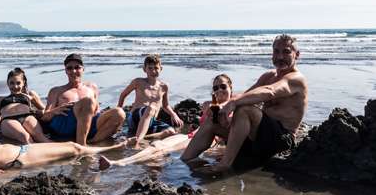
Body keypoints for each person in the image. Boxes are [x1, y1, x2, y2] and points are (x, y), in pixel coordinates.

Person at [184, 34, 307, 171]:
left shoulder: (296, 79)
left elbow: (270, 91)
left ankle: (224, 164)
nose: (280, 57)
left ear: (297, 55)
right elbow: (245, 95)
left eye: (286, 52)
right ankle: (184, 161)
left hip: (280, 140)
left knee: (245, 110)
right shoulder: (268, 76)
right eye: (276, 51)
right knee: (213, 120)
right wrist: (220, 107)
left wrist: (233, 103)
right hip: (256, 139)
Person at [0, 96, 128, 175]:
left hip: (23, 150)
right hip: (18, 159)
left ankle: (105, 150)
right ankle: (112, 149)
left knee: (71, 146)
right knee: (74, 148)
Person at [100, 73, 237, 170]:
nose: (219, 90)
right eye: (215, 88)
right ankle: (121, 162)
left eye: (223, 87)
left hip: (205, 141)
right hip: (190, 136)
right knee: (157, 145)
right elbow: (211, 109)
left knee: (163, 149)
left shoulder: (237, 107)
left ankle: (121, 163)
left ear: (231, 87)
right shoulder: (209, 104)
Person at [41, 53, 125, 145]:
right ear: (65, 71)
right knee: (87, 101)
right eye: (69, 68)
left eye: (77, 67)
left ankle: (92, 142)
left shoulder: (92, 87)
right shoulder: (56, 91)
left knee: (119, 113)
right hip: (66, 124)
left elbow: (97, 110)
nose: (73, 71)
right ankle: (82, 144)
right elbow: (45, 118)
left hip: (89, 124)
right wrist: (55, 111)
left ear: (83, 69)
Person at [117, 54, 183, 145]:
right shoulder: (138, 82)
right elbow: (123, 95)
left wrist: (174, 114)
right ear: (144, 69)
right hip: (135, 117)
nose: (153, 71)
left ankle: (140, 137)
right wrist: (119, 115)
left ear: (161, 69)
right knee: (151, 107)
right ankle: (137, 141)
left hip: (151, 121)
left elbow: (165, 105)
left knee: (171, 132)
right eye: (150, 68)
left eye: (156, 68)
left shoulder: (164, 87)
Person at [0, 67, 50, 143]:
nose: (15, 86)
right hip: (8, 120)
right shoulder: (0, 99)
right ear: (7, 83)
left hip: (27, 117)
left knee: (40, 137)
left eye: (18, 83)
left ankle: (61, 151)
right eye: (12, 83)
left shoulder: (30, 95)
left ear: (23, 82)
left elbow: (45, 110)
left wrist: (37, 111)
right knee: (25, 137)